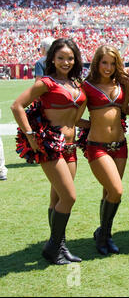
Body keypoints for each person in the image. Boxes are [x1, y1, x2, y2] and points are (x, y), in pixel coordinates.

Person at [11, 38, 87, 264]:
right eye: (61, 57)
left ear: (76, 60)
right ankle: (53, 247)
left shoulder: (77, 83)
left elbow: (74, 118)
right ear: (52, 58)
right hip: (51, 144)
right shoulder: (46, 82)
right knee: (69, 197)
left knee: (57, 198)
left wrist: (95, 126)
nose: (66, 62)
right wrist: (30, 134)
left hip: (70, 146)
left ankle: (59, 246)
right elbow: (17, 106)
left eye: (70, 58)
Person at [82, 45, 129, 255]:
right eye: (104, 62)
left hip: (120, 146)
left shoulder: (122, 84)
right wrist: (94, 125)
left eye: (112, 63)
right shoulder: (87, 86)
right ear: (97, 63)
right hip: (97, 147)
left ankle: (105, 234)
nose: (108, 67)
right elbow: (75, 118)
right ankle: (103, 236)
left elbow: (124, 109)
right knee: (116, 191)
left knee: (108, 192)